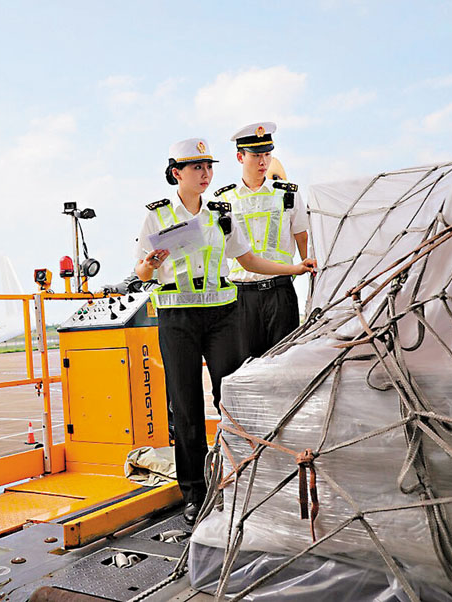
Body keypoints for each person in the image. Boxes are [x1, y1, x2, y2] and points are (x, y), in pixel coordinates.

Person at [133, 138, 315, 524]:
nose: (205, 174)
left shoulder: (221, 213)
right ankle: (194, 494)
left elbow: (247, 259)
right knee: (185, 407)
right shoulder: (157, 216)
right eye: (196, 168)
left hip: (222, 316)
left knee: (231, 400)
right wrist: (149, 263)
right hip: (178, 319)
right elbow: (142, 273)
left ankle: (243, 478)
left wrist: (294, 269)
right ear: (176, 173)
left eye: (208, 167)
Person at [214, 122, 314, 359]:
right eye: (256, 155)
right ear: (240, 157)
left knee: (285, 363)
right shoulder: (224, 200)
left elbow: (302, 236)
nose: (263, 162)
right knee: (244, 365)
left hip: (280, 292)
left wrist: (311, 273)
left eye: (268, 154)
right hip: (240, 296)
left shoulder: (287, 194)